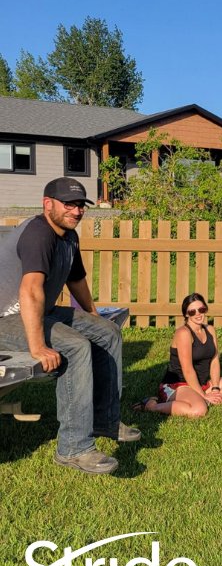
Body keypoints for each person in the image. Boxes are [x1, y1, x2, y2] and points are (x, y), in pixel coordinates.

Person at [0, 177, 139, 475]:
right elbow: (31, 292)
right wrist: (38, 347)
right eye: (69, 204)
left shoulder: (68, 236)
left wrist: (93, 316)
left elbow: (75, 279)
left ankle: (105, 419)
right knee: (75, 346)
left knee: (107, 332)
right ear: (47, 203)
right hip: (5, 319)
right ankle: (73, 448)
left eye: (80, 205)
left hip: (37, 312)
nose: (76, 211)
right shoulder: (39, 233)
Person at [137, 293, 222, 416]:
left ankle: (204, 398)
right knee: (199, 410)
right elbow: (187, 370)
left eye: (201, 309)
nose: (198, 314)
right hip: (179, 384)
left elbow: (214, 361)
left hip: (202, 383)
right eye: (192, 312)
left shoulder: (210, 330)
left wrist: (216, 389)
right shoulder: (183, 333)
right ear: (186, 314)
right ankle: (151, 406)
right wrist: (204, 396)